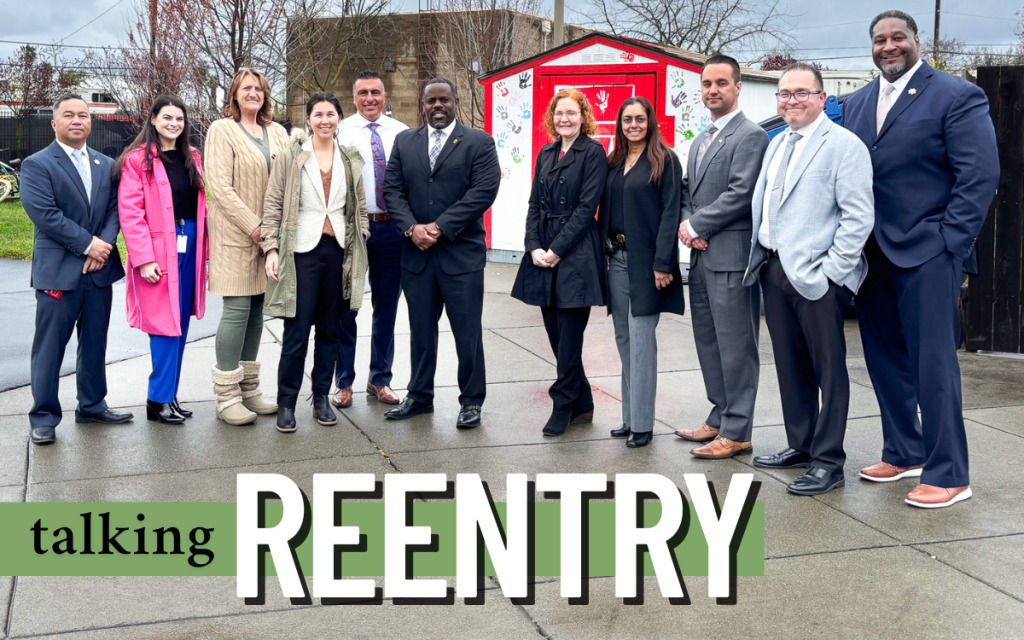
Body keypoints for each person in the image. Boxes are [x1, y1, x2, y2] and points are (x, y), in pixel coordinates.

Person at [843, 11, 999, 508]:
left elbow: (978, 175)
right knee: (884, 359)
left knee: (933, 365)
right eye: (879, 40)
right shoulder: (857, 101)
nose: (888, 46)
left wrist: (950, 241)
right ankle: (904, 450)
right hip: (870, 253)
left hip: (928, 251)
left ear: (916, 42)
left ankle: (949, 471)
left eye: (898, 38)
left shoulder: (956, 95)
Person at [742, 63, 875, 496]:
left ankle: (828, 461)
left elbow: (858, 218)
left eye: (801, 93)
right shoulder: (777, 143)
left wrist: (833, 273)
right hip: (775, 269)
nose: (791, 100)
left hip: (818, 276)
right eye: (784, 94)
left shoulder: (844, 146)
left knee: (829, 370)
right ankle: (800, 444)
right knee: (790, 366)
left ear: (822, 97)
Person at [382, 78, 500, 428]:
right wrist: (411, 228)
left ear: (456, 102)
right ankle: (419, 397)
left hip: (460, 256)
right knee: (420, 331)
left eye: (444, 100)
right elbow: (392, 189)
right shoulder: (405, 142)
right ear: (422, 104)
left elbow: (483, 191)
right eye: (431, 100)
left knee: (467, 333)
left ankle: (471, 402)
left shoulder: (479, 142)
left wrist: (439, 227)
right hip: (416, 256)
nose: (437, 106)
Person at [21, 94, 133, 444]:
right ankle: (44, 416)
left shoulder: (104, 163)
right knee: (50, 348)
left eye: (83, 115)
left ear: (90, 122)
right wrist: (89, 244)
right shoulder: (38, 164)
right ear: (54, 123)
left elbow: (115, 209)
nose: (76, 120)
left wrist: (103, 246)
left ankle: (92, 405)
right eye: (68, 115)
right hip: (59, 272)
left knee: (95, 342)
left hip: (98, 272)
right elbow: (45, 214)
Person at [677, 55, 770, 459]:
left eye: (720, 83)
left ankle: (738, 431)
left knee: (736, 347)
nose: (712, 90)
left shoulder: (751, 136)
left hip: (731, 258)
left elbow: (741, 192)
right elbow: (687, 191)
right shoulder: (701, 140)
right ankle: (719, 416)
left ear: (737, 87)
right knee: (709, 343)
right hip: (701, 258)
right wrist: (687, 224)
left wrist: (696, 226)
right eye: (706, 84)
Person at [262, 92, 370, 433]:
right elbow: (273, 202)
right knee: (296, 332)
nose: (325, 120)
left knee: (330, 331)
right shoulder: (292, 156)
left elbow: (360, 206)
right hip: (300, 252)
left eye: (331, 114)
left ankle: (321, 397)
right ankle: (286, 402)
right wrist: (271, 248)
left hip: (338, 250)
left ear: (339, 118)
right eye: (318, 114)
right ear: (308, 120)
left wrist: (362, 234)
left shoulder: (350, 158)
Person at [511, 89, 608, 436]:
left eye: (571, 112)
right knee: (555, 336)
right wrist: (533, 245)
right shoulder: (546, 153)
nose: (564, 119)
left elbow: (586, 209)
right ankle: (583, 404)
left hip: (577, 254)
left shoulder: (593, 152)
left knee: (569, 337)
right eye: (558, 113)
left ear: (583, 116)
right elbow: (535, 203)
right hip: (543, 252)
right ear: (551, 118)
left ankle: (563, 403)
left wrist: (557, 249)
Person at [115, 94, 208, 425]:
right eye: (167, 117)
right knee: (165, 327)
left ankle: (169, 394)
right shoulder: (137, 161)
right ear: (153, 120)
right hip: (157, 253)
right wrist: (143, 259)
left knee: (180, 326)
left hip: (190, 244)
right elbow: (130, 213)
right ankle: (157, 399)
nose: (174, 124)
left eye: (180, 119)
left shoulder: (191, 156)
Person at [204, 67, 289, 426]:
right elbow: (219, 187)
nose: (253, 93)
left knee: (257, 311)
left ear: (266, 94)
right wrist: (256, 228)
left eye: (258, 88)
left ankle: (250, 389)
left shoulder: (279, 132)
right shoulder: (222, 130)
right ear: (235, 95)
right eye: (246, 88)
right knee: (237, 310)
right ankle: (226, 396)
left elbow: (291, 178)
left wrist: (276, 233)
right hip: (237, 237)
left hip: (271, 239)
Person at [599, 96, 685, 449]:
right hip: (616, 260)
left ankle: (644, 424)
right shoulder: (615, 160)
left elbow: (671, 212)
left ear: (650, 122)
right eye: (627, 119)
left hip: (648, 264)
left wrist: (664, 262)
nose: (633, 125)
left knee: (642, 341)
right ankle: (629, 417)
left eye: (639, 119)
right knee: (624, 339)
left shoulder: (665, 160)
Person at [332, 70, 408, 409]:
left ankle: (380, 378)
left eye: (375, 92)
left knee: (387, 308)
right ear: (354, 97)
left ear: (384, 93)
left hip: (392, 229)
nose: (370, 98)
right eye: (362, 92)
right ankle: (343, 382)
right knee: (347, 307)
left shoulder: (403, 133)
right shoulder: (339, 131)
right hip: (352, 230)